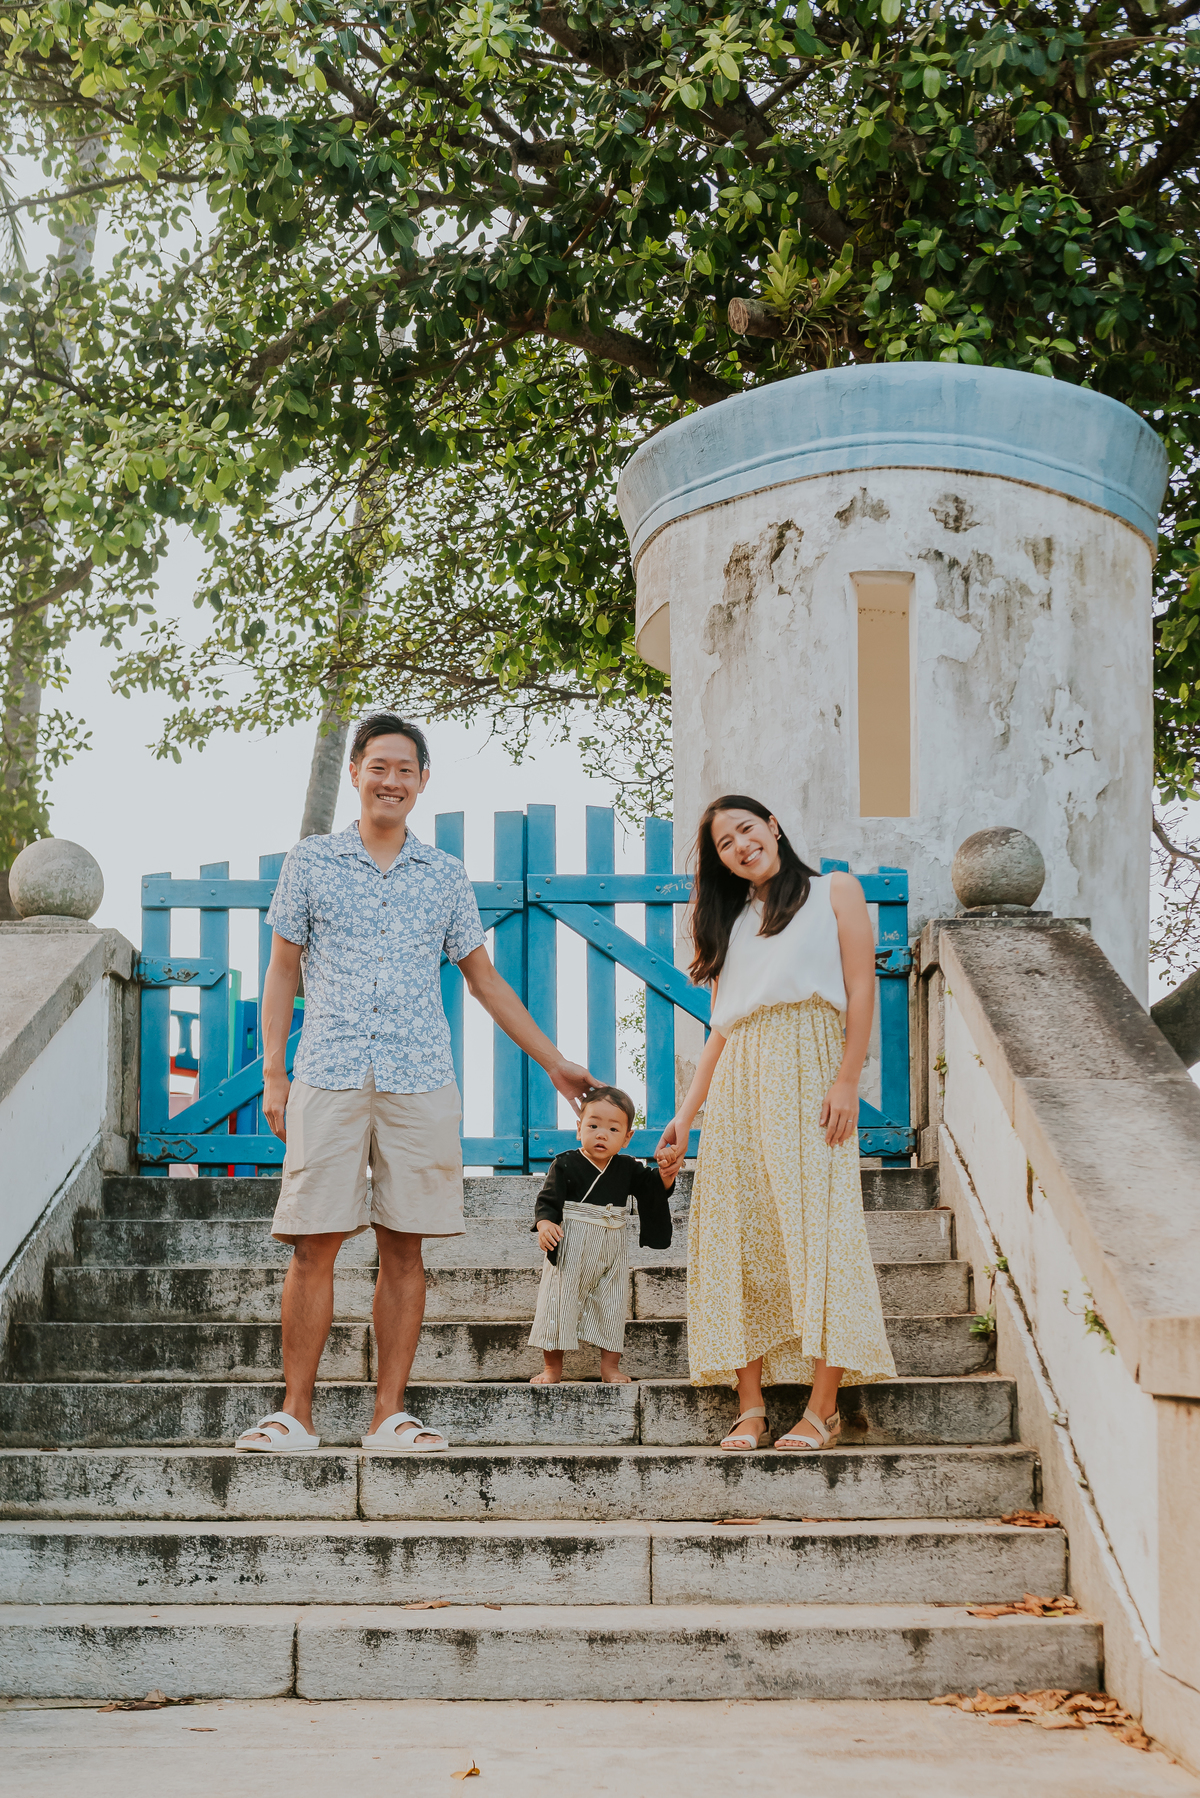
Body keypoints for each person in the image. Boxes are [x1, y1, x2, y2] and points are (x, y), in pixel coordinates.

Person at [235, 712, 594, 1454]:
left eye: (406, 769)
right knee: (312, 1243)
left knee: (405, 1248)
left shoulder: (445, 876)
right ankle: (294, 1414)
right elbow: (281, 968)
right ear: (357, 774)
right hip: (329, 1072)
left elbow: (484, 980)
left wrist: (554, 1061)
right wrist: (274, 1071)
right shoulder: (311, 861)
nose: (391, 780)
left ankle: (388, 1417)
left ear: (422, 782)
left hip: (420, 1075)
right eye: (379, 767)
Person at [655, 795, 895, 1452]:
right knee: (735, 1232)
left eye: (745, 830)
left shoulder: (834, 891)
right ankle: (751, 1405)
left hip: (811, 1066)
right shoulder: (731, 923)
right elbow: (722, 1029)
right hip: (739, 1080)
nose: (739, 845)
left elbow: (861, 985)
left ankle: (822, 1409)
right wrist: (684, 1115)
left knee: (823, 1231)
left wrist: (848, 1078)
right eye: (725, 844)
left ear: (774, 827)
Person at [529, 1085, 674, 1386]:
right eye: (593, 1125)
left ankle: (609, 1367)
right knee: (558, 1300)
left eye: (612, 1128)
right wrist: (545, 1225)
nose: (601, 1134)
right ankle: (552, 1367)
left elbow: (651, 1189)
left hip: (612, 1243)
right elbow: (547, 1201)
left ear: (627, 1137)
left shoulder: (627, 1167)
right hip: (572, 1241)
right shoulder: (566, 1163)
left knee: (613, 1301)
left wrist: (666, 1174)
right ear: (579, 1128)